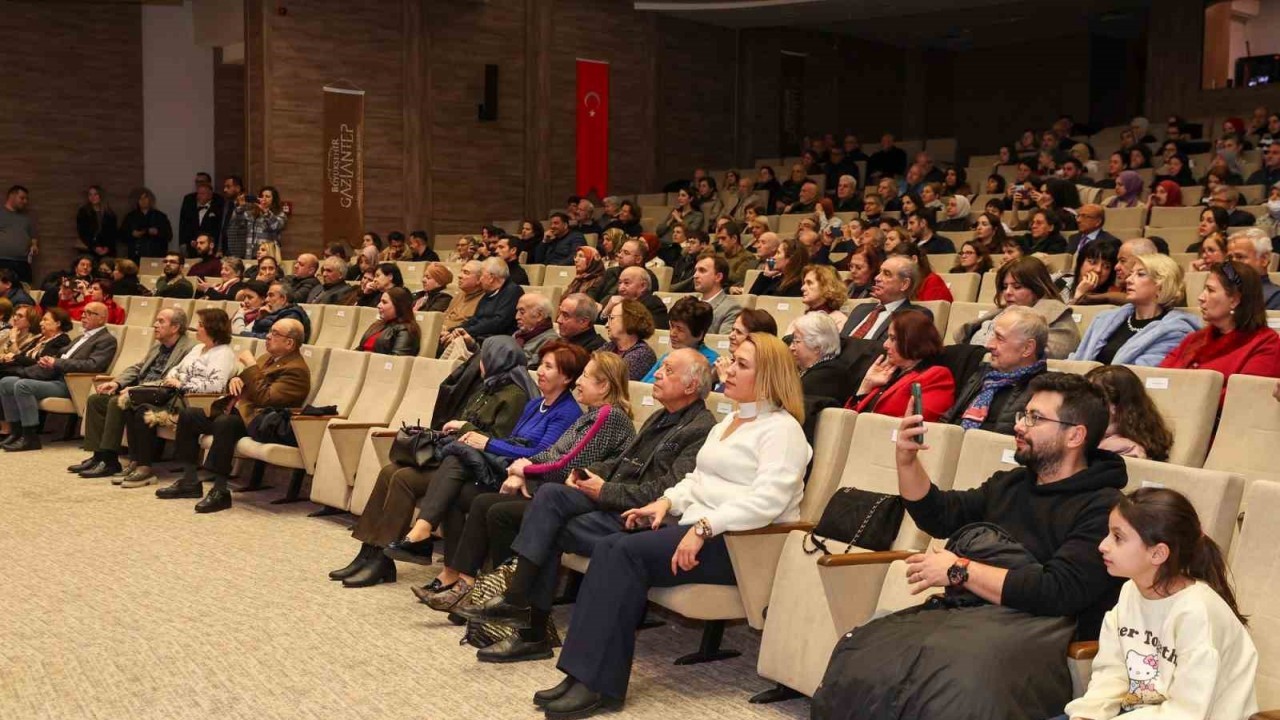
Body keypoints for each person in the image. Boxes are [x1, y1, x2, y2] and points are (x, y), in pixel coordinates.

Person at [813, 373, 1127, 720]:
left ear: (1075, 435)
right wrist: (906, 461)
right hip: (971, 616)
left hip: (1037, 631)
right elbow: (940, 516)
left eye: (1035, 418)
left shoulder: (1103, 506)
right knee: (864, 650)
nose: (1019, 426)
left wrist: (959, 570)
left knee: (953, 683)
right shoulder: (1011, 484)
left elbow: (1057, 591)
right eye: (1023, 414)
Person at [527, 333, 811, 718]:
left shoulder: (782, 431)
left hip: (741, 545)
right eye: (732, 359)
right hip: (703, 530)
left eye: (742, 365)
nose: (727, 369)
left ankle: (598, 684)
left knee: (622, 552)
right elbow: (697, 479)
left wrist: (704, 527)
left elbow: (768, 501)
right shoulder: (731, 421)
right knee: (612, 547)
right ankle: (580, 675)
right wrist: (665, 501)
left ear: (769, 378)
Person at [453, 349, 717, 663]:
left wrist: (604, 489)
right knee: (548, 499)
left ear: (690, 386)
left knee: (547, 516)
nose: (657, 373)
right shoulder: (661, 415)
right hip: (613, 499)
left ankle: (527, 619)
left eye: (668, 370)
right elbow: (619, 463)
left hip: (638, 516)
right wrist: (584, 477)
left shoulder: (700, 428)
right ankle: (522, 611)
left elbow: (664, 491)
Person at [417, 351, 637, 608]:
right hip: (555, 489)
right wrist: (523, 467)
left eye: (586, 377)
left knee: (496, 509)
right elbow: (550, 453)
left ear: (605, 386)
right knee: (487, 505)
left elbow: (570, 464)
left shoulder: (608, 416)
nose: (579, 382)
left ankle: (493, 594)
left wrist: (525, 471)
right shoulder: (592, 414)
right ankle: (475, 588)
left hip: (577, 499)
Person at [329, 337, 543, 586]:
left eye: (484, 356)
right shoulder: (486, 387)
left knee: (403, 479)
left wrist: (464, 428)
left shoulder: (514, 395)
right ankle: (369, 551)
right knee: (389, 471)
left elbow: (499, 443)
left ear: (496, 359)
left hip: (473, 469)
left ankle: (381, 558)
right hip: (455, 458)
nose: (480, 362)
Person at [1059, 488, 1257, 720]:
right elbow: (1112, 674)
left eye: (1118, 537)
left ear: (1157, 554)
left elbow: (1187, 711)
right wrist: (1086, 715)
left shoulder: (1196, 611)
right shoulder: (1130, 591)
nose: (1103, 545)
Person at [155, 319, 310, 512]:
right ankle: (189, 480)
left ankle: (220, 491)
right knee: (189, 414)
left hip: (254, 420)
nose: (268, 336)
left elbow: (265, 398)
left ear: (289, 343)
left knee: (224, 423)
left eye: (275, 333)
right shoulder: (266, 359)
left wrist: (251, 365)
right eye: (270, 331)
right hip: (234, 410)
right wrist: (237, 378)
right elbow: (246, 381)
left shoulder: (297, 370)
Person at [116, 309, 238, 488]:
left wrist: (181, 384)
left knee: (144, 410)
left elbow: (215, 385)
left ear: (213, 328)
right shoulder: (197, 348)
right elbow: (175, 369)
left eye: (201, 325)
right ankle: (135, 461)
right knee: (132, 403)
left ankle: (145, 467)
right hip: (175, 395)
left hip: (194, 403)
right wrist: (175, 379)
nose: (196, 328)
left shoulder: (223, 353)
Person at [69, 308, 196, 479]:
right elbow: (138, 368)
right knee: (96, 400)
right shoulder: (158, 346)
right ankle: (98, 455)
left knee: (117, 402)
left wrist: (135, 389)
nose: (155, 325)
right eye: (156, 320)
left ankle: (109, 459)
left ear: (175, 327)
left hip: (162, 397)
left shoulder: (188, 349)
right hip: (140, 392)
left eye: (161, 321)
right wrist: (116, 382)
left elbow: (171, 380)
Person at [0, 305, 116, 451]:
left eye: (89, 313)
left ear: (101, 318)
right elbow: (62, 356)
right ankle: (16, 432)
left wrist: (57, 362)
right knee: (6, 382)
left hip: (72, 384)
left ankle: (30, 437)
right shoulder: (81, 338)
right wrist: (49, 360)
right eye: (83, 312)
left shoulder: (106, 340)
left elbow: (94, 365)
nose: (83, 316)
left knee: (23, 385)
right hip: (55, 376)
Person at [1160, 260, 1280, 401]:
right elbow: (1161, 377)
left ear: (1234, 300)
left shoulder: (1266, 344)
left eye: (1210, 290)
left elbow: (1243, 398)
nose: (1200, 297)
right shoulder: (1195, 338)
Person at [1071, 253, 1201, 367]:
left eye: (1140, 274)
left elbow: (1143, 375)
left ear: (1161, 285)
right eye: (1131, 274)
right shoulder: (1104, 319)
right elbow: (1077, 359)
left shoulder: (1174, 331)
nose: (1128, 280)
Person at [940, 306, 1048, 434]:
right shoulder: (983, 374)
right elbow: (948, 420)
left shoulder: (1042, 392)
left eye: (1000, 338)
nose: (989, 345)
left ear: (1027, 348)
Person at [955, 257, 1080, 359]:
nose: (1007, 292)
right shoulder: (999, 312)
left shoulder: (1057, 317)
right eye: (1004, 287)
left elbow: (1045, 357)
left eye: (1017, 287)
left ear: (1037, 288)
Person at [848, 309, 955, 419]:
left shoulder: (936, 376)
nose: (885, 345)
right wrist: (866, 385)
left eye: (893, 339)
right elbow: (846, 421)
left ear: (913, 341)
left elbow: (918, 424)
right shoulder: (889, 373)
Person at [1084, 366, 1174, 461]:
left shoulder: (1126, 450)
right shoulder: (1092, 436)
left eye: (1089, 399)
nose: (1080, 404)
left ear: (1114, 406)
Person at [440, 257, 523, 354]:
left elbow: (498, 323)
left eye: (482, 275)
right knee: (444, 340)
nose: (480, 279)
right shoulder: (489, 293)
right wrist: (453, 330)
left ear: (491, 278)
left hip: (495, 342)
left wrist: (466, 331)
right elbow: (475, 319)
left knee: (453, 344)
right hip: (478, 336)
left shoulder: (513, 291)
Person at [841, 255, 932, 342]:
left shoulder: (914, 315)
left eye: (887, 274)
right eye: (879, 272)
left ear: (904, 284)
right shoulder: (861, 309)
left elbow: (882, 350)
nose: (877, 278)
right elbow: (840, 343)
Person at [642, 297, 716, 382]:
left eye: (680, 329)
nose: (672, 333)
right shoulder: (667, 356)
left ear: (699, 334)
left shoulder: (709, 362)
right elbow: (642, 386)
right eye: (672, 326)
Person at [788, 312, 855, 405]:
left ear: (817, 347)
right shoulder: (807, 369)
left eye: (797, 341)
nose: (791, 348)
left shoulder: (830, 374)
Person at [354, 286, 421, 356]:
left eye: (384, 302)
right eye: (380, 301)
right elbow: (360, 348)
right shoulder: (378, 324)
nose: (378, 305)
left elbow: (397, 360)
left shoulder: (406, 330)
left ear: (399, 306)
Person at [588, 239, 659, 304]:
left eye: (626, 253)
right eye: (620, 251)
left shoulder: (647, 277)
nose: (620, 255)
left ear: (638, 259)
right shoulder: (611, 271)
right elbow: (593, 291)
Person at [601, 298, 657, 381]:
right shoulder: (609, 346)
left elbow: (613, 383)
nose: (606, 325)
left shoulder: (643, 354)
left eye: (611, 318)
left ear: (628, 320)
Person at [786, 265, 849, 336]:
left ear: (826, 286)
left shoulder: (838, 320)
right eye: (804, 283)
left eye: (809, 283)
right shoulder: (799, 320)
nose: (802, 288)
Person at [1226, 227, 1280, 310]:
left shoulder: (1276, 297)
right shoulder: (1224, 292)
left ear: (1264, 260)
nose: (1233, 263)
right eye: (1230, 258)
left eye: (1240, 257)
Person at [1058, 237, 1122, 305]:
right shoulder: (1061, 282)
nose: (1098, 270)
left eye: (1106, 267)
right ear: (1081, 263)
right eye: (1093, 262)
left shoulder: (1113, 296)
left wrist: (1080, 294)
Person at [229, 186, 287, 259]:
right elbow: (237, 222)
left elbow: (276, 226)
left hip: (269, 255)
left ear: (274, 200)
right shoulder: (252, 213)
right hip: (250, 254)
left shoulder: (279, 214)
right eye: (262, 196)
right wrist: (241, 206)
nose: (264, 199)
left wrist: (266, 211)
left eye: (267, 196)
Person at [242, 281, 311, 343]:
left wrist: (244, 334)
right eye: (267, 296)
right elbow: (255, 331)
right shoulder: (272, 312)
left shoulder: (292, 315)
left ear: (283, 299)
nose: (266, 299)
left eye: (271, 295)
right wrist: (259, 318)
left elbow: (276, 338)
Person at [691, 253, 741, 335]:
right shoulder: (690, 301)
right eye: (695, 271)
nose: (695, 275)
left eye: (702, 270)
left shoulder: (731, 308)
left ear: (718, 277)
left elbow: (722, 342)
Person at [120, 187, 173, 261]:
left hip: (156, 255)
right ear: (136, 201)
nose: (143, 201)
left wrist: (157, 232)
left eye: (145, 198)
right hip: (136, 256)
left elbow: (169, 236)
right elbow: (121, 236)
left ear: (150, 199)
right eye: (140, 199)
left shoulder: (160, 216)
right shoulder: (130, 217)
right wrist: (132, 234)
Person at [178, 181, 224, 256]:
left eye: (202, 194)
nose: (199, 196)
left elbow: (218, 230)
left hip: (210, 249)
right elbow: (184, 226)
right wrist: (185, 243)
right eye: (198, 194)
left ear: (210, 195)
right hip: (192, 248)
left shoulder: (218, 209)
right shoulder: (190, 209)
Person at [513, 293, 558, 367]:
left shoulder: (550, 341)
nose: (516, 317)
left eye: (522, 312)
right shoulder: (518, 334)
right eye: (517, 311)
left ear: (539, 315)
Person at [58, 277, 126, 325]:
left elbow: (93, 318)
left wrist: (86, 294)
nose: (90, 291)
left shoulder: (112, 308)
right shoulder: (84, 303)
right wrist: (65, 296)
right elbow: (61, 315)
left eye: (95, 289)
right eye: (90, 288)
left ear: (106, 294)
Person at [441, 260, 484, 335]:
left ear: (479, 279)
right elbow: (445, 316)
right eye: (461, 271)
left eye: (466, 273)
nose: (459, 276)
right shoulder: (459, 295)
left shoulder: (484, 300)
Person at [76, 185, 118, 259]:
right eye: (90, 195)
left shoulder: (109, 213)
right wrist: (94, 247)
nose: (93, 197)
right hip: (90, 248)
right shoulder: (84, 212)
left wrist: (107, 247)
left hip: (107, 249)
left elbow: (113, 232)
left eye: (95, 194)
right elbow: (82, 232)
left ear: (100, 196)